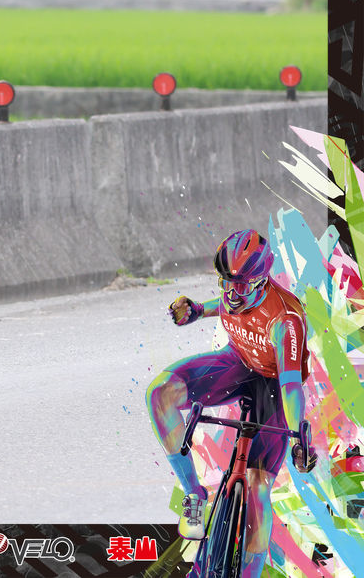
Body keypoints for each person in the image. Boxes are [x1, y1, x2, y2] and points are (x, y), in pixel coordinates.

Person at [146, 229, 318, 578]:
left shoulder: (285, 321)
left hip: (275, 386)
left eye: (241, 286)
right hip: (237, 363)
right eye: (226, 283)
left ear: (262, 281)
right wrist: (197, 311)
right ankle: (194, 494)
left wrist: (300, 437)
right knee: (159, 393)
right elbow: (224, 305)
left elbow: (290, 386)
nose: (231, 294)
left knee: (256, 489)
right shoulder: (236, 290)